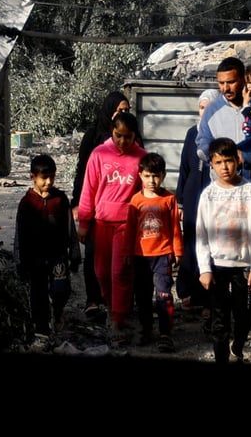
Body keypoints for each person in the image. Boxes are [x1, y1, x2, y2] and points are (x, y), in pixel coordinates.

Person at [196, 56, 251, 319]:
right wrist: (221, 159)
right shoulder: (212, 111)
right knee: (224, 250)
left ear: (244, 80)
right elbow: (201, 146)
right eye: (221, 83)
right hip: (224, 194)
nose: (226, 88)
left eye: (232, 82)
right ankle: (223, 309)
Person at [195, 137, 251, 365]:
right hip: (217, 265)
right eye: (218, 162)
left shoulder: (249, 190)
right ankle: (221, 358)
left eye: (228, 161)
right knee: (219, 319)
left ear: (237, 161)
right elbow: (201, 233)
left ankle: (237, 346)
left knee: (243, 316)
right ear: (211, 165)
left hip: (242, 266)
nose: (224, 167)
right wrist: (204, 269)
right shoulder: (208, 194)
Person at [77, 110, 146, 339]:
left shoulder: (141, 158)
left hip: (126, 225)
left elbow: (146, 194)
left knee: (121, 272)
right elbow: (89, 190)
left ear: (135, 135)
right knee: (101, 272)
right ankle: (110, 305)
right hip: (101, 223)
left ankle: (118, 318)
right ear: (112, 132)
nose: (123, 141)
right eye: (118, 135)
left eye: (128, 137)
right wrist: (84, 222)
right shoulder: (99, 154)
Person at [72, 91, 132, 322]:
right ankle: (93, 300)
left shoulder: (133, 138)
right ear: (109, 111)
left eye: (126, 110)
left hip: (124, 214)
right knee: (94, 257)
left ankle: (120, 304)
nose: (123, 114)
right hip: (97, 209)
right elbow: (82, 175)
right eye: (119, 110)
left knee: (122, 261)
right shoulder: (94, 137)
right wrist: (77, 204)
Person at [13, 153, 80, 348]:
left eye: (52, 177)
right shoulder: (26, 203)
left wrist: (74, 254)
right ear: (32, 176)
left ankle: (57, 311)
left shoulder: (60, 199)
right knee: (38, 294)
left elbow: (70, 228)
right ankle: (42, 329)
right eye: (44, 178)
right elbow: (20, 233)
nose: (48, 182)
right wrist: (20, 261)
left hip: (58, 255)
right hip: (34, 258)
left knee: (61, 289)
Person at [124, 152, 183, 352]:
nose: (152, 180)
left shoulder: (169, 199)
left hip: (162, 255)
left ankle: (165, 333)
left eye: (156, 176)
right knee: (142, 295)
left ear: (163, 175)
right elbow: (130, 229)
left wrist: (178, 251)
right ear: (140, 175)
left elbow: (175, 227)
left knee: (164, 295)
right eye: (148, 176)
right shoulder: (136, 201)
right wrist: (126, 252)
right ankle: (145, 329)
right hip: (140, 256)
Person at [175, 88, 220, 314]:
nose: (204, 112)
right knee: (190, 240)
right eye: (201, 108)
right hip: (193, 194)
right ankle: (188, 292)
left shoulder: (222, 133)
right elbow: (184, 168)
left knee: (211, 243)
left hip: (213, 194)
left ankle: (208, 297)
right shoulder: (192, 133)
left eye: (209, 107)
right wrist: (180, 201)